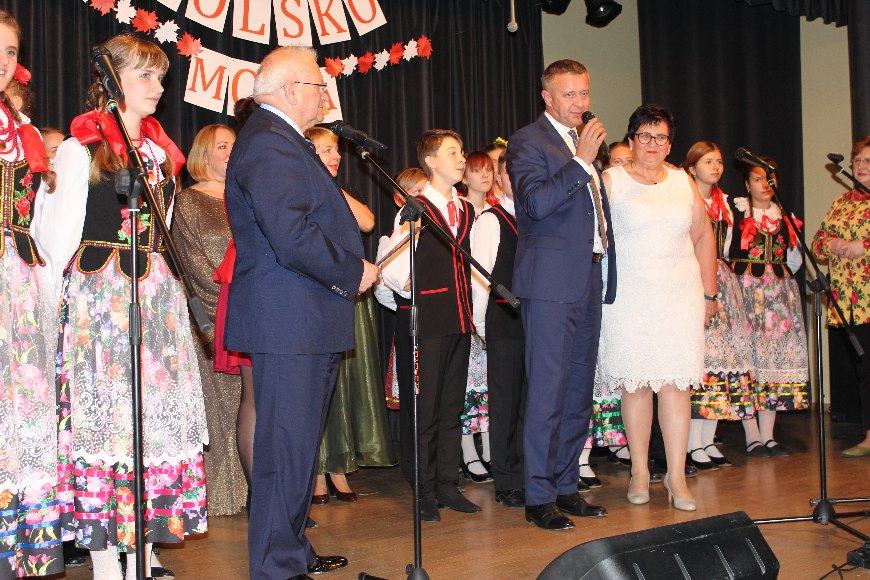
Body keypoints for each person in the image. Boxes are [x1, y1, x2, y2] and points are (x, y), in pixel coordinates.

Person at [32, 33, 208, 579]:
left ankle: (143, 549)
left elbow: (161, 232)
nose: (158, 87)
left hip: (154, 299)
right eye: (145, 75)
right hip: (99, 304)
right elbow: (55, 238)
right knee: (105, 422)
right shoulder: (79, 148)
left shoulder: (160, 154)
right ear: (111, 80)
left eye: (161, 77)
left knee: (149, 423)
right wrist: (49, 320)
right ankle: (107, 558)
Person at [223, 46, 377, 580]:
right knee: (284, 451)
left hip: (303, 316)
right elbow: (291, 236)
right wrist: (351, 270)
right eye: (318, 85)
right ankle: (276, 567)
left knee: (298, 447)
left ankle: (291, 551)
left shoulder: (281, 139)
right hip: (290, 319)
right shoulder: (270, 142)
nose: (325, 95)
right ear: (290, 89)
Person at [506, 59, 614, 531]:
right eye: (569, 94)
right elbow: (534, 203)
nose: (580, 103)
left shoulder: (580, 142)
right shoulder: (528, 141)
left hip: (587, 277)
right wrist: (582, 162)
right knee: (548, 391)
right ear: (547, 97)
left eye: (584, 93)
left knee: (577, 391)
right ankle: (538, 495)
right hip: (549, 283)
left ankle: (567, 485)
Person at [597, 104, 718, 512]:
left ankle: (676, 476)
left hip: (679, 298)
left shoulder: (683, 182)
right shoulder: (611, 181)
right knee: (635, 386)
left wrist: (709, 293)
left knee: (676, 388)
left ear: (669, 144)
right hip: (629, 300)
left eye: (661, 137)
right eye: (646, 136)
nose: (653, 143)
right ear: (631, 141)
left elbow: (703, 236)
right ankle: (638, 471)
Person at [380, 129, 480, 522]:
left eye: (461, 151)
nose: (461, 159)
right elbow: (391, 262)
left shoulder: (466, 210)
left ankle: (447, 484)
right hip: (425, 322)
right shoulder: (416, 208)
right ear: (431, 161)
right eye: (452, 152)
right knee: (424, 409)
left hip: (458, 319)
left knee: (452, 406)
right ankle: (423, 489)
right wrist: (412, 285)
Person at [0, 10, 61, 578]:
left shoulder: (23, 130)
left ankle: (15, 549)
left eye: (11, 51)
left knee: (19, 406)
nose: (3, 61)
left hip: (18, 275)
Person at [303, 126, 394, 505]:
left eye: (336, 150)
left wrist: (329, 185)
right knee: (316, 387)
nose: (336, 156)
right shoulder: (299, 191)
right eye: (325, 150)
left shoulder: (335, 191)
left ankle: (338, 465)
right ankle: (316, 470)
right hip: (315, 298)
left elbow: (368, 222)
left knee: (343, 386)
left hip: (349, 295)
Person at [170, 124, 248, 516]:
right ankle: (222, 493)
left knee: (253, 405)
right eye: (222, 146)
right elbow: (190, 261)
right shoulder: (188, 201)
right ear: (204, 153)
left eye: (235, 145)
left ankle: (255, 491)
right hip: (210, 317)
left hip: (252, 313)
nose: (231, 152)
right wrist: (226, 304)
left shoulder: (245, 196)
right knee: (219, 409)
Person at [728, 160, 809, 457]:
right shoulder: (738, 212)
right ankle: (752, 435)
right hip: (746, 295)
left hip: (778, 299)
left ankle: (769, 435)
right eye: (757, 179)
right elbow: (723, 251)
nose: (764, 185)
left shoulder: (785, 217)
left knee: (772, 364)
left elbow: (795, 259)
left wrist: (779, 284)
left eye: (769, 179)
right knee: (748, 361)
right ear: (747, 185)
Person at [683, 141, 755, 470]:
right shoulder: (686, 199)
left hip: (722, 281)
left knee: (721, 366)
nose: (715, 167)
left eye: (719, 162)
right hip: (695, 278)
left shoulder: (724, 202)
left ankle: (707, 440)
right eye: (708, 161)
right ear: (692, 167)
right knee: (702, 363)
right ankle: (691, 444)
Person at [471, 150, 526, 507]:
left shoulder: (538, 218)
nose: (515, 178)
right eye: (508, 172)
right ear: (500, 179)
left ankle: (531, 473)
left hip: (537, 321)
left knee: (530, 403)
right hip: (504, 321)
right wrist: (481, 323)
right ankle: (507, 479)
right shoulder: (492, 220)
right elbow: (480, 277)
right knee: (505, 402)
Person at [812, 136, 870, 457]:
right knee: (864, 370)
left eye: (868, 161)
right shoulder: (842, 202)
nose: (861, 165)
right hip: (848, 300)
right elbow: (818, 241)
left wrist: (863, 246)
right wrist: (834, 245)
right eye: (857, 160)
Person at [376, 167, 427, 412]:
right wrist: (403, 304)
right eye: (416, 192)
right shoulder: (391, 238)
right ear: (399, 199)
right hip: (409, 317)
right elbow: (382, 289)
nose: (422, 197)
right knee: (411, 389)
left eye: (426, 190)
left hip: (435, 316)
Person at [459, 150, 494, 483]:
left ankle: (492, 449)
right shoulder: (460, 211)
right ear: (464, 176)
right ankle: (469, 451)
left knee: (491, 383)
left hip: (493, 302)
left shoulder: (497, 211)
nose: (485, 176)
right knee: (468, 384)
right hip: (466, 302)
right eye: (477, 170)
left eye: (489, 170)